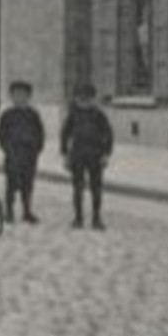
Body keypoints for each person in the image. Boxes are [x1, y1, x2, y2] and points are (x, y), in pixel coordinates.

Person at [60, 83, 114, 230]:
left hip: (95, 156)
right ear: (76, 99)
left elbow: (108, 135)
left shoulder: (98, 115)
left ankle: (97, 217)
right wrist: (65, 155)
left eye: (87, 98)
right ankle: (78, 218)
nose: (84, 101)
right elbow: (64, 135)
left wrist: (106, 154)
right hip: (77, 155)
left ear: (93, 99)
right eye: (81, 98)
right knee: (77, 188)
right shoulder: (72, 116)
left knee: (96, 189)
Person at [0, 80, 45, 224]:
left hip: (29, 155)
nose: (19, 98)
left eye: (23, 95)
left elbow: (40, 133)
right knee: (11, 184)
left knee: (27, 184)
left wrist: (36, 149)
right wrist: (6, 148)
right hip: (12, 154)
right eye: (16, 95)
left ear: (28, 97)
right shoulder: (7, 115)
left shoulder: (33, 115)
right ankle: (9, 211)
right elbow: (0, 134)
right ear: (11, 97)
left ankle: (27, 210)